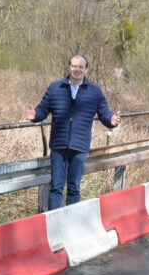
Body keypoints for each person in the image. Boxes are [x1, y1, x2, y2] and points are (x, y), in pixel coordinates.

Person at [23, 55, 120, 209]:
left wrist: (111, 120)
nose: (77, 69)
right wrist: (35, 115)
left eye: (81, 67)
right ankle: (55, 222)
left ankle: (70, 223)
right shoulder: (55, 88)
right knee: (56, 187)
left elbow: (104, 112)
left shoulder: (94, 91)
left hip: (79, 145)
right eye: (74, 66)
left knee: (74, 187)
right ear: (69, 68)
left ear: (86, 69)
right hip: (59, 145)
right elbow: (43, 109)